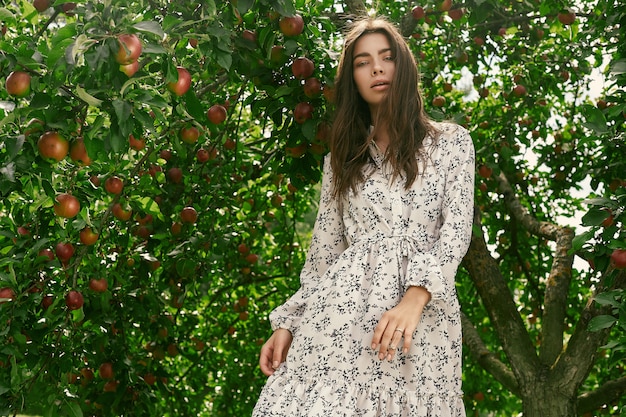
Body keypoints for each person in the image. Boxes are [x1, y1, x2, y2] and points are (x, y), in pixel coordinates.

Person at [253, 16, 474, 417]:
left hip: (421, 323)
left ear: (402, 66)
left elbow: (454, 234)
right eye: (362, 61)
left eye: (386, 57)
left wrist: (415, 297)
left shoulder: (451, 142)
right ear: (352, 78)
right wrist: (288, 322)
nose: (376, 68)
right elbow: (324, 255)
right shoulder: (341, 162)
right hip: (338, 321)